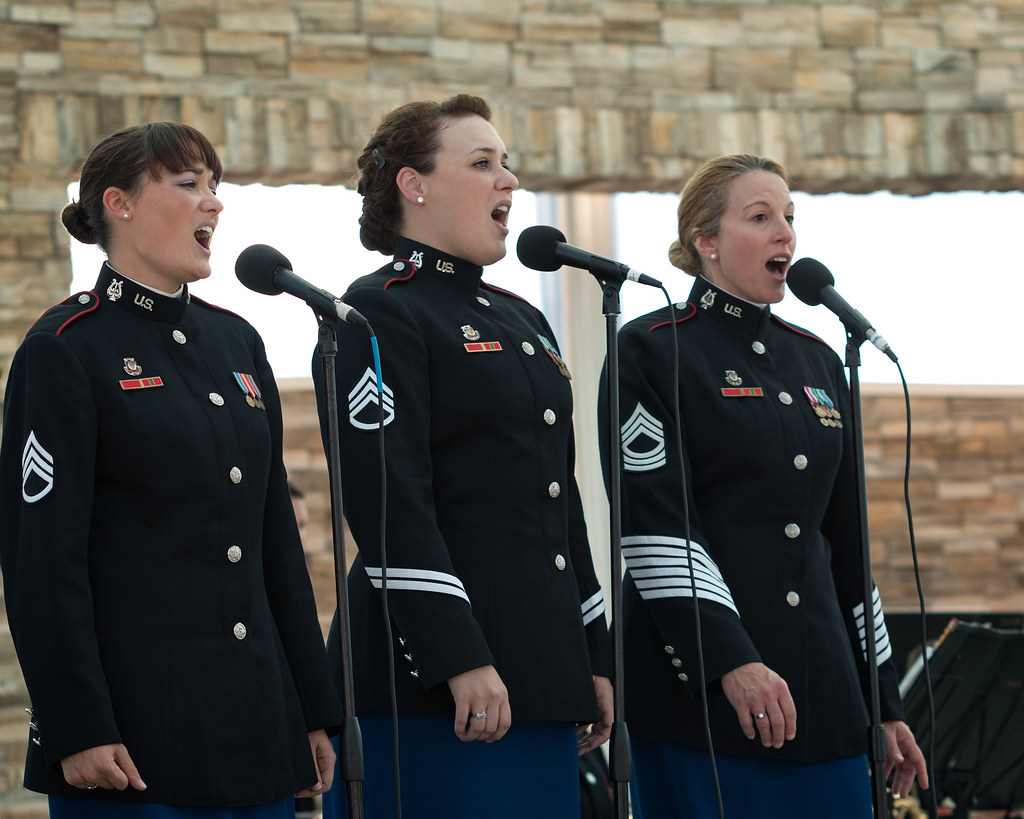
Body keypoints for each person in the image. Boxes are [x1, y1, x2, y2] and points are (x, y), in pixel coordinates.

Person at [0, 122, 342, 818]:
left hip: (257, 730)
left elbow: (275, 542)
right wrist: (79, 723)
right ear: (118, 203)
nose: (212, 203)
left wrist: (311, 709)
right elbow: (43, 561)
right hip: (134, 743)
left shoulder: (237, 340)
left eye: (215, 187)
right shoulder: (65, 349)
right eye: (188, 184)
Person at [598, 154, 928, 817]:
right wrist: (728, 661)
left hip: (829, 700)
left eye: (790, 216)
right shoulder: (652, 349)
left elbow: (848, 548)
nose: (785, 233)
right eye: (760, 216)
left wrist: (884, 700)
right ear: (707, 241)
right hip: (704, 700)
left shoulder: (818, 359)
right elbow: (655, 527)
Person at [312, 94, 613, 818]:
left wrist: (594, 655)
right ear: (414, 185)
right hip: (431, 687)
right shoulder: (377, 309)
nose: (507, 180)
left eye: (507, 164)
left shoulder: (524, 317)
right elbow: (388, 499)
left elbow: (558, 501)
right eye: (482, 163)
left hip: (537, 679)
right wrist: (458, 657)